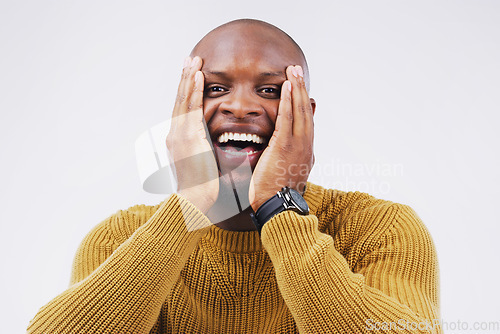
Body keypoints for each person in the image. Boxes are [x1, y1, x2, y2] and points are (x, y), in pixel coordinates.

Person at [27, 19, 441, 333]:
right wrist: (189, 205)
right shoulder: (119, 238)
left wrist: (281, 209)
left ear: (306, 116)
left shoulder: (380, 229)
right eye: (216, 88)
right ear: (183, 111)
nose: (240, 107)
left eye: (270, 90)